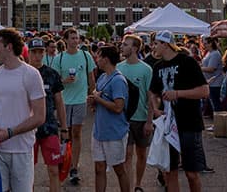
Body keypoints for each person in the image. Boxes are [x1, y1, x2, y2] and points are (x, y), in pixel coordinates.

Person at [0, 28, 46, 192]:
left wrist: (10, 132)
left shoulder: (31, 74)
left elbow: (40, 116)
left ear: (9, 47)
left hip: (21, 150)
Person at [148, 30, 210, 192]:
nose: (152, 47)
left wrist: (177, 94)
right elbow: (152, 92)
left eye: (155, 43)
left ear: (165, 44)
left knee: (191, 173)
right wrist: (155, 109)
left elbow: (204, 91)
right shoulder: (158, 66)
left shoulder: (187, 62)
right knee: (170, 171)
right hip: (167, 125)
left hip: (189, 123)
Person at [54, 27, 96, 185]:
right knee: (65, 133)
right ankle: (63, 160)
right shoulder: (60, 58)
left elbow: (91, 77)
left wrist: (93, 96)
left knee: (76, 132)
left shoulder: (86, 56)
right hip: (64, 101)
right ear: (65, 40)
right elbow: (55, 81)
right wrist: (65, 81)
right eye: (72, 38)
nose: (75, 41)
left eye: (76, 38)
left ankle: (74, 167)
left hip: (80, 99)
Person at [28, 38, 68, 192]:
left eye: (40, 52)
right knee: (27, 171)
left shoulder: (52, 74)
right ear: (29, 53)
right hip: (28, 128)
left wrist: (64, 128)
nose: (37, 56)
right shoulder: (23, 73)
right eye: (34, 52)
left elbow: (59, 102)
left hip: (49, 127)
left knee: (54, 170)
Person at [89, 45, 131, 192]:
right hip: (99, 131)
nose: (96, 59)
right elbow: (98, 96)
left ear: (105, 60)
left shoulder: (118, 80)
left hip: (114, 132)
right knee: (99, 168)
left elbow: (118, 107)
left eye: (98, 56)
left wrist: (98, 99)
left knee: (119, 169)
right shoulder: (102, 77)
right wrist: (94, 100)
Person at [117, 34, 153, 192]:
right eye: (123, 44)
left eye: (126, 44)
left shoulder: (146, 69)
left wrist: (150, 121)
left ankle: (138, 184)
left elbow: (151, 97)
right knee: (127, 155)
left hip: (142, 118)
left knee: (141, 154)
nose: (122, 46)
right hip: (124, 119)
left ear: (135, 48)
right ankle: (129, 187)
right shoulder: (119, 68)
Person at [200, 38, 224, 116]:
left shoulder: (215, 54)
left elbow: (211, 68)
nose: (204, 45)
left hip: (216, 83)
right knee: (213, 104)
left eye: (205, 43)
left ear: (210, 44)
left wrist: (198, 68)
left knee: (216, 104)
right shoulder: (209, 53)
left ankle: (219, 123)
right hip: (210, 82)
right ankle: (217, 122)